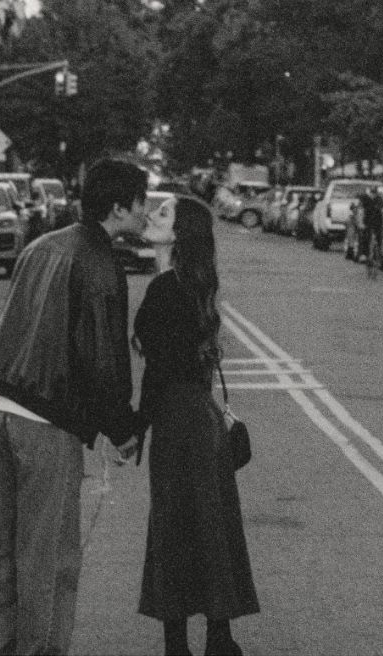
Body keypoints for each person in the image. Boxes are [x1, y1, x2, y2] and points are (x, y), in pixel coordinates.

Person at [0, 157, 148, 656]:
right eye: (141, 204)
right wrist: (123, 428)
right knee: (49, 558)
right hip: (47, 421)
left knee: (0, 548)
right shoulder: (99, 265)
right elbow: (103, 360)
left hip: (0, 408)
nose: (145, 213)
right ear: (118, 208)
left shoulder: (40, 247)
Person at [135, 194, 259, 656]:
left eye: (163, 213)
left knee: (172, 529)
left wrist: (136, 427)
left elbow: (159, 371)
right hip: (202, 419)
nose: (151, 215)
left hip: (177, 420)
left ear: (181, 232)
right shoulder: (196, 284)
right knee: (210, 525)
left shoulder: (167, 288)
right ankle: (220, 638)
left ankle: (177, 647)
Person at [360, 186, 383, 271]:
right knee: (366, 236)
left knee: (379, 238)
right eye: (372, 193)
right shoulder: (365, 199)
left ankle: (378, 256)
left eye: (375, 193)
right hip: (368, 222)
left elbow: (382, 207)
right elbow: (362, 209)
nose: (373, 195)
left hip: (378, 222)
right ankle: (364, 254)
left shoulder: (379, 199)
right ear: (370, 192)